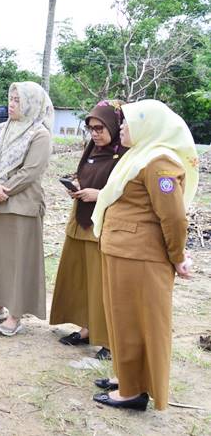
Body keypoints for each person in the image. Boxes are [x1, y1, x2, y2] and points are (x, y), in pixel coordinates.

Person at [91, 100, 198, 411]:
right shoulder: (140, 156)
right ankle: (125, 377)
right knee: (121, 319)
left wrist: (178, 256)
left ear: (146, 125)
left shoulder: (159, 162)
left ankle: (133, 391)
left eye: (127, 122)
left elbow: (174, 218)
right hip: (123, 251)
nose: (122, 127)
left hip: (139, 256)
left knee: (135, 322)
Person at [50, 101, 127, 360]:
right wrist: (77, 185)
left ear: (114, 126)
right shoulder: (92, 148)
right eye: (91, 128)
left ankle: (109, 340)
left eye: (100, 128)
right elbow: (86, 173)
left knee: (102, 284)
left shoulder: (126, 154)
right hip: (80, 222)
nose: (94, 133)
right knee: (81, 280)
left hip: (104, 226)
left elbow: (129, 192)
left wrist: (99, 195)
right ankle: (87, 329)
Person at [0, 82, 53, 336]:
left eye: (18, 100)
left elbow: (29, 173)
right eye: (11, 98)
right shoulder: (2, 129)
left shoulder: (39, 134)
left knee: (19, 262)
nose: (11, 104)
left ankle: (15, 315)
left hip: (22, 206)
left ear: (32, 104)